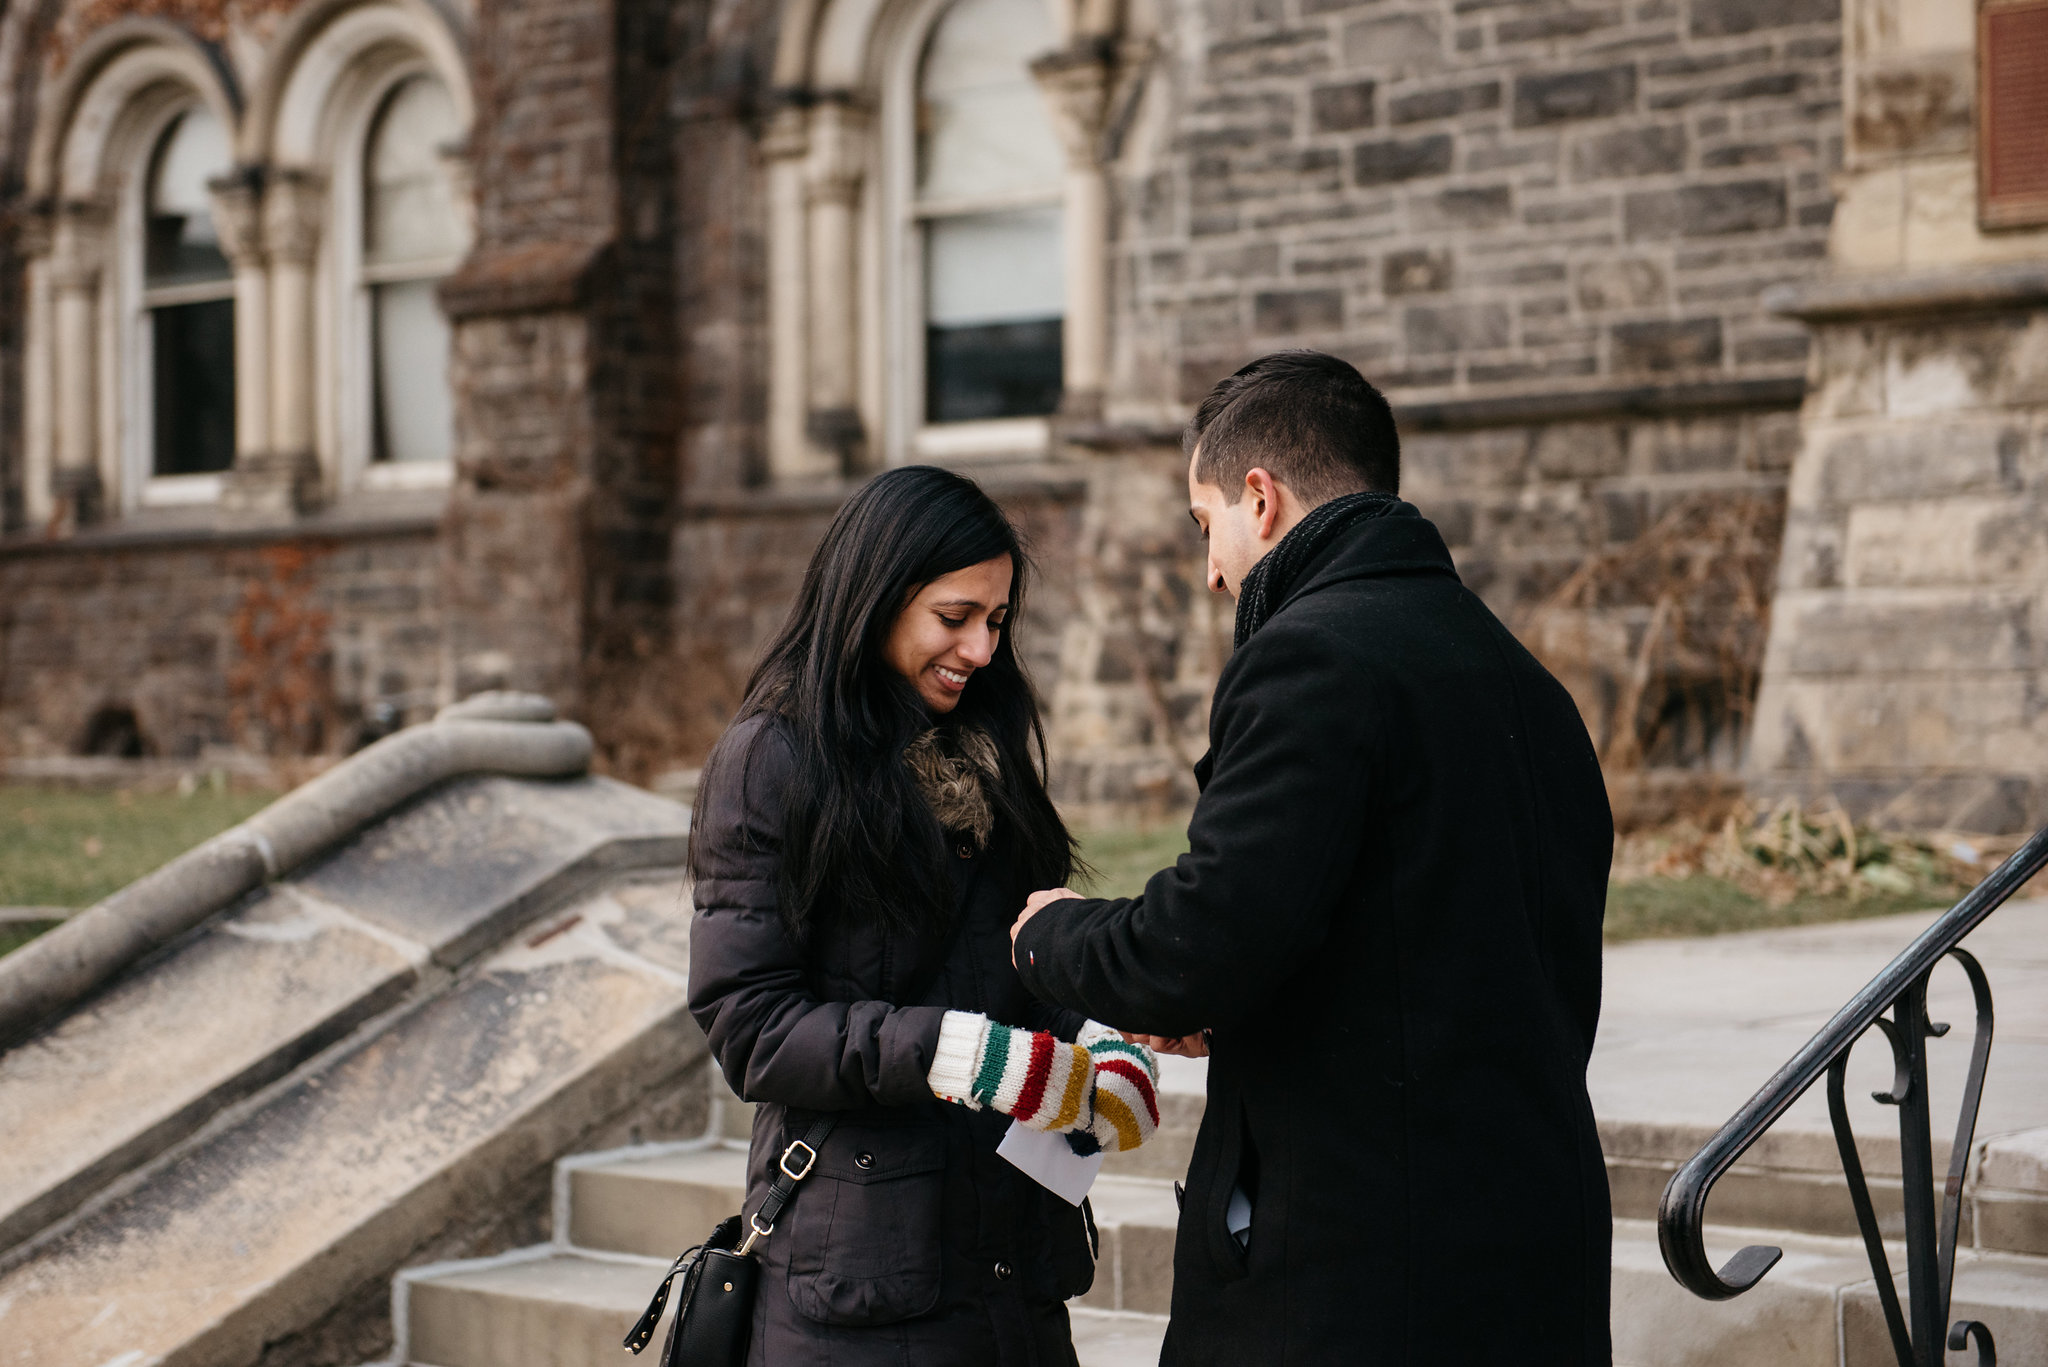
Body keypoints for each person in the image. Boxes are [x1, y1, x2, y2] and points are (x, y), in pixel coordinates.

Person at [1010, 351, 1614, 1365]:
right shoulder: (1525, 682)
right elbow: (1418, 937)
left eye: (1205, 527)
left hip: (1358, 1274)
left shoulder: (1308, 654)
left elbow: (1194, 942)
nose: (1209, 570)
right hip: (1531, 1249)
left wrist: (1050, 934)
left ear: (1261, 496)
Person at [687, 465, 1161, 1367]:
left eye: (997, 621)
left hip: (1013, 1268)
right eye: (955, 618)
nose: (982, 649)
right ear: (874, 597)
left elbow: (1023, 951)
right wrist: (960, 1053)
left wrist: (1102, 1035)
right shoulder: (772, 759)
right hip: (858, 1291)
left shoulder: (986, 749)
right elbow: (749, 1026)